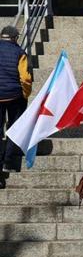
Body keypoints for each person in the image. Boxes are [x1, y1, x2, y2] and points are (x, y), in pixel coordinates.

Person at [0, 26, 31, 176]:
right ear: (15, 38)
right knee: (14, 128)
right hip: (14, 95)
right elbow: (25, 78)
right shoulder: (20, 52)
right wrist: (26, 94)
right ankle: (8, 162)